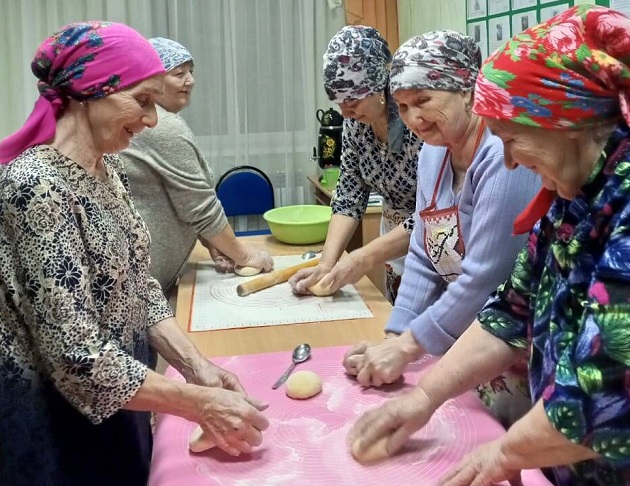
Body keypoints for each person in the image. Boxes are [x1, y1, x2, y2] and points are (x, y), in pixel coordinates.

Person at [348, 6, 630, 485]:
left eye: (512, 139)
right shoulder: (571, 196)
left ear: (564, 122)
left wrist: (502, 453)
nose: (508, 162)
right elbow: (510, 310)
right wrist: (422, 398)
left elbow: (607, 397)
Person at [0, 22, 268, 486]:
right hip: (55, 424)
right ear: (89, 92)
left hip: (125, 397)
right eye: (142, 101)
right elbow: (76, 355)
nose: (151, 120)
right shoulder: (37, 187)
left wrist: (196, 368)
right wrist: (197, 403)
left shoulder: (108, 172)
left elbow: (137, 288)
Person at [342, 31, 539, 426]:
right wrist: (396, 335)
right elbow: (422, 252)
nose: (413, 118)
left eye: (424, 101)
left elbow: (486, 278)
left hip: (512, 345)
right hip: (462, 339)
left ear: (467, 90)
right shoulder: (433, 153)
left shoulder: (502, 157)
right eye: (402, 106)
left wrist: (410, 347)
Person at [120, 37, 273, 295]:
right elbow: (199, 205)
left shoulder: (161, 121)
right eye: (179, 73)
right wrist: (245, 256)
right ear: (152, 81)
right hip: (140, 285)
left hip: (147, 282)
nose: (190, 80)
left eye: (191, 72)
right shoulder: (162, 127)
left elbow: (179, 196)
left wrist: (209, 238)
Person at [289, 26, 423, 303]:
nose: (344, 112)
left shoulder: (418, 125)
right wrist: (327, 264)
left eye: (352, 101)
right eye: (338, 103)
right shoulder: (355, 125)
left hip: (435, 250)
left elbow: (432, 214)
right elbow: (349, 197)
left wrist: (362, 258)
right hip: (393, 248)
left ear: (377, 89)